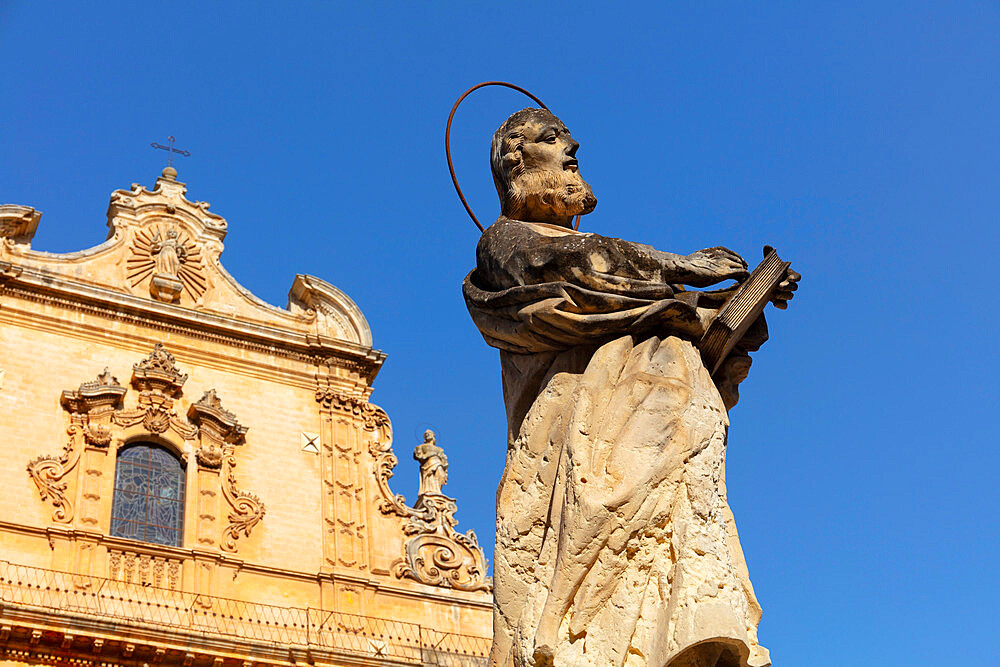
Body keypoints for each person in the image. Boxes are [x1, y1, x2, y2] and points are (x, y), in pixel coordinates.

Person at [463, 108, 798, 667]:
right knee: (597, 576)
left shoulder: (621, 276)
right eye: (552, 139)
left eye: (570, 142)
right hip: (587, 442)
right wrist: (682, 267)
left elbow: (641, 301)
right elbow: (580, 275)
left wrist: (742, 298)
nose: (572, 149)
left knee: (668, 563)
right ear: (515, 159)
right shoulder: (505, 241)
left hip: (664, 440)